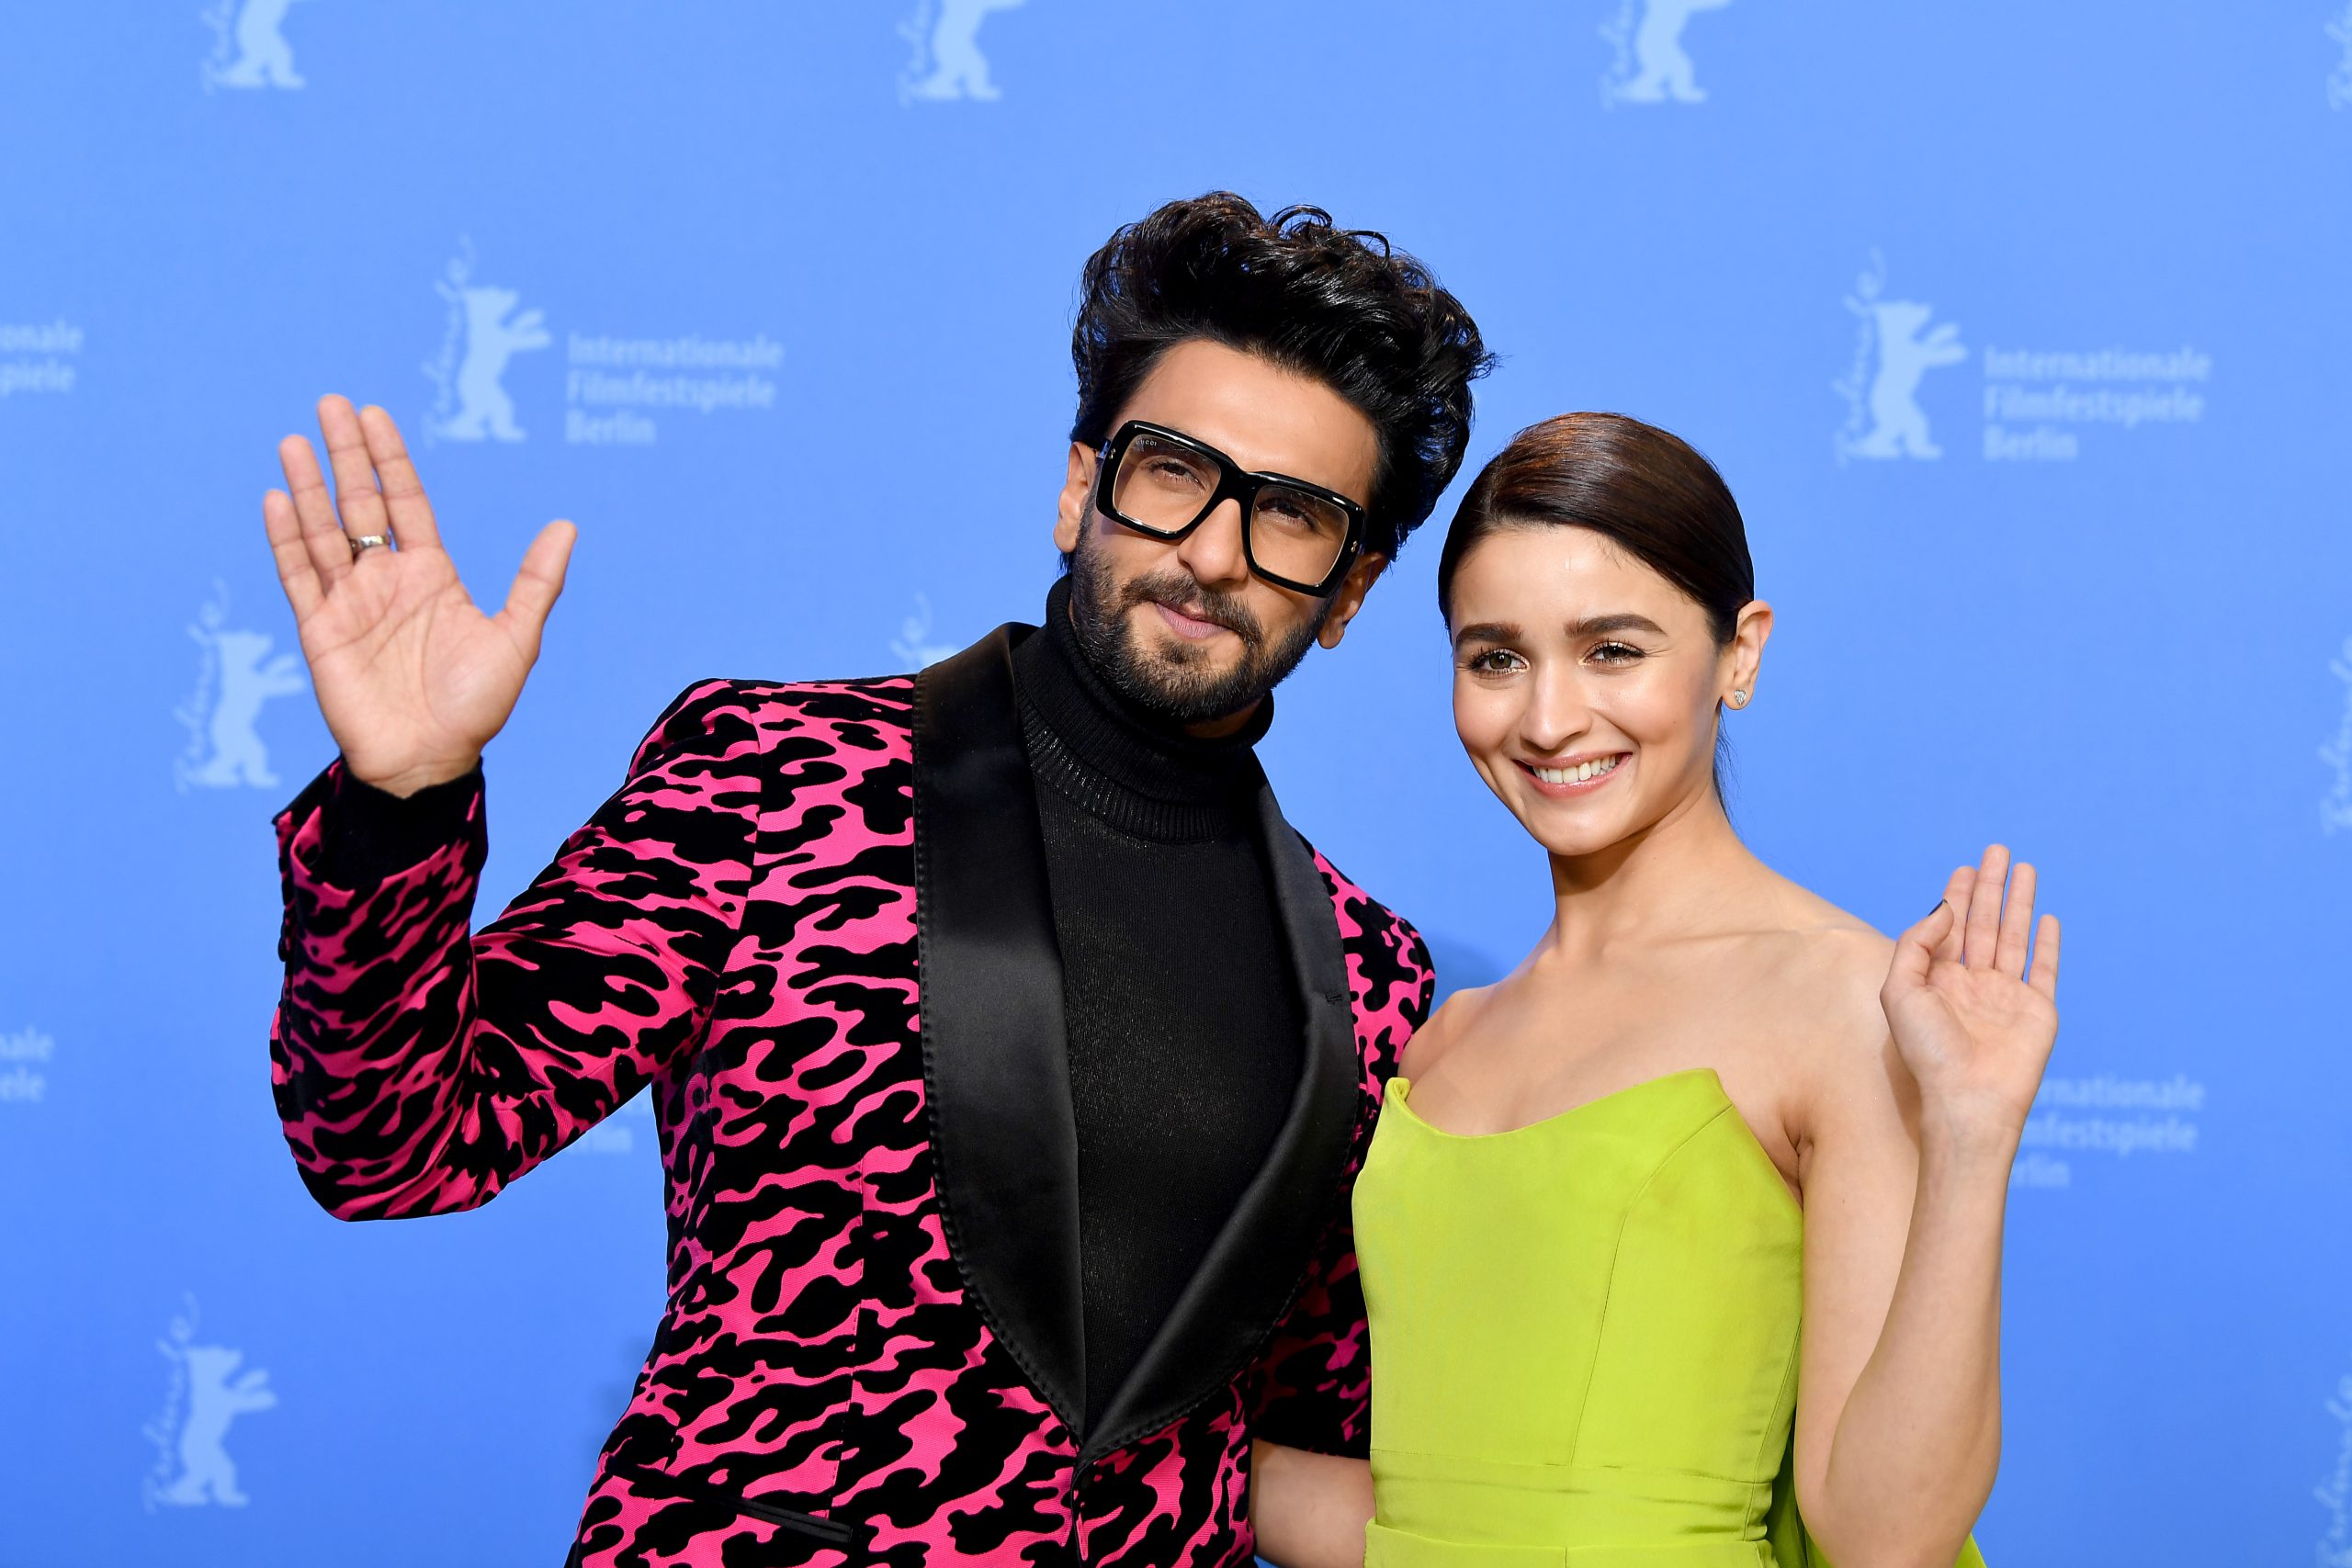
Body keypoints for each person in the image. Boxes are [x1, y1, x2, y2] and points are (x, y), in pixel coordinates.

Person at [257, 194, 1490, 1566]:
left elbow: (1316, 1437)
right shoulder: (777, 777)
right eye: (1171, 471)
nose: (1209, 550)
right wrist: (402, 802)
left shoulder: (1372, 977)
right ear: (1079, 487)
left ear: (1351, 589)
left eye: (1293, 515)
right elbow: (394, 1143)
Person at [1250, 413, 2060, 1568]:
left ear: (1740, 654)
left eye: (1613, 650)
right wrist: (1141, 1451)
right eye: (1495, 658)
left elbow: (1888, 1537)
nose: (1547, 719)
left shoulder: (1844, 1003)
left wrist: (1971, 1138)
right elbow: (1445, 1518)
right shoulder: (1442, 1043)